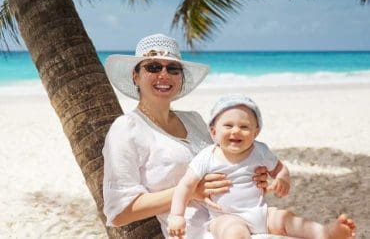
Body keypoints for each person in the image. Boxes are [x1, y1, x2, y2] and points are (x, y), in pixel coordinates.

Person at [102, 34, 269, 238]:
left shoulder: (194, 120)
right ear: (135, 76)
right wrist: (190, 191)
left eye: (173, 69)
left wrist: (253, 172)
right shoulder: (126, 128)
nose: (164, 74)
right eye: (153, 67)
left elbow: (226, 160)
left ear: (180, 77)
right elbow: (120, 212)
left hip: (243, 220)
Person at [167, 94, 356, 239]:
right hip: (225, 216)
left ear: (256, 132)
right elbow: (185, 185)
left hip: (261, 213)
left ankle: (325, 232)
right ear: (213, 131)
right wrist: (177, 215)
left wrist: (282, 180)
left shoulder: (260, 150)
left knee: (287, 219)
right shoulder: (207, 156)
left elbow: (280, 169)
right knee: (233, 232)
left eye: (244, 126)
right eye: (228, 125)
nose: (236, 131)